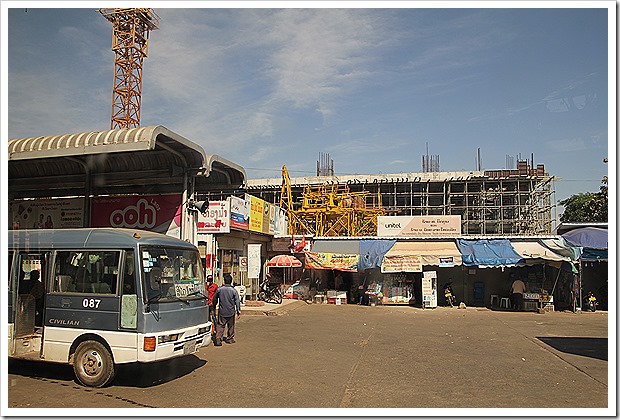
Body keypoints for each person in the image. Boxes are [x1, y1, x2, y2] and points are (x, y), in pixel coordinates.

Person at [212, 273, 240, 346]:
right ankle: (230, 338)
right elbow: (237, 301)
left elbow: (215, 299)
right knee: (231, 326)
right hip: (231, 311)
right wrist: (238, 311)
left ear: (224, 281)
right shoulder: (233, 290)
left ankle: (218, 337)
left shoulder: (219, 289)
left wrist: (214, 306)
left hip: (222, 311)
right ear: (231, 281)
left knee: (220, 325)